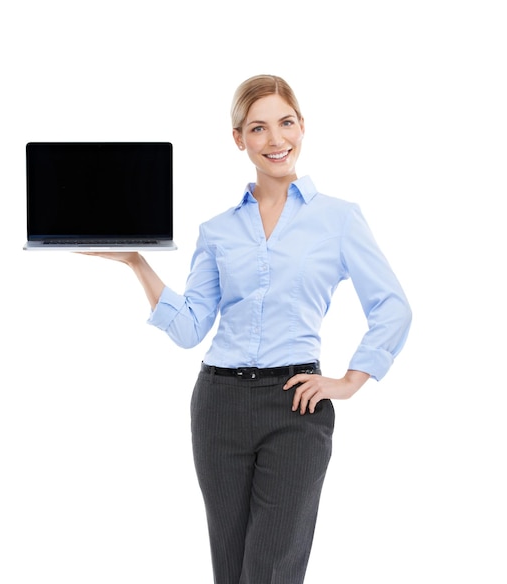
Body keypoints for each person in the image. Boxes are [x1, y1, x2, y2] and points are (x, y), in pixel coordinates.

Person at [82, 74, 412, 584]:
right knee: (231, 570)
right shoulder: (217, 230)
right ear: (239, 139)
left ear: (303, 126)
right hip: (219, 405)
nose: (275, 140)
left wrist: (349, 381)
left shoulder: (339, 219)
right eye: (258, 128)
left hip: (296, 405)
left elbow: (392, 306)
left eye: (285, 123)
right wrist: (134, 262)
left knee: (271, 570)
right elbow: (192, 327)